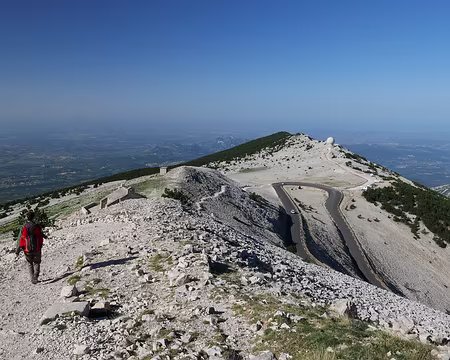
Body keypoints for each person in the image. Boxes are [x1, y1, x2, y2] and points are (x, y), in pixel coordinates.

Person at [15, 210, 45, 284]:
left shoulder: (24, 227)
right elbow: (40, 236)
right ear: (33, 217)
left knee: (29, 264)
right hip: (37, 247)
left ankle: (32, 279)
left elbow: (19, 239)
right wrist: (41, 244)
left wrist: (17, 251)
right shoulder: (36, 226)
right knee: (37, 262)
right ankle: (36, 277)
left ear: (26, 218)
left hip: (27, 249)